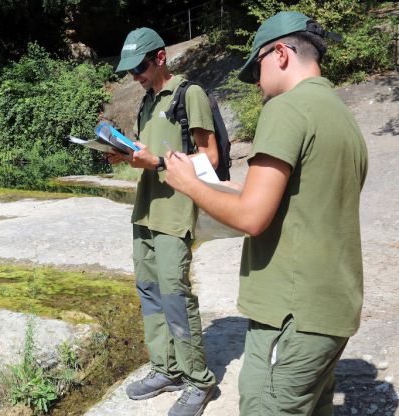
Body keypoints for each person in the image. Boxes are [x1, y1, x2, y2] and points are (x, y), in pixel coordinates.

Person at [164, 11, 368, 416]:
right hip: (331, 311)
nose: (257, 83)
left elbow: (252, 218)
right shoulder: (341, 114)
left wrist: (189, 183)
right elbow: (310, 203)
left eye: (256, 68)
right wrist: (235, 191)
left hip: (291, 314)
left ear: (280, 53)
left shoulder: (287, 109)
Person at [107, 27, 219, 416]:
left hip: (175, 211)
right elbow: (147, 150)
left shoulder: (190, 95)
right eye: (129, 72)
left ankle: (197, 379)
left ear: (160, 58)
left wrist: (155, 162)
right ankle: (164, 368)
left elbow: (211, 158)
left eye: (138, 67)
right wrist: (125, 154)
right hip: (145, 208)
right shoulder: (146, 102)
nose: (134, 76)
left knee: (174, 293)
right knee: (149, 289)